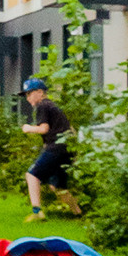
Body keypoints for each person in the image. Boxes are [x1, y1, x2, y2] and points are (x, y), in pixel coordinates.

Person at [25, 84, 78, 217]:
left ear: (40, 92)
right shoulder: (54, 106)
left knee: (32, 176)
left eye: (29, 93)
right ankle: (78, 214)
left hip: (56, 147)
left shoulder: (43, 106)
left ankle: (37, 212)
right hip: (67, 148)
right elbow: (70, 129)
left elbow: (44, 129)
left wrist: (28, 128)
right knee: (58, 187)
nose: (27, 98)